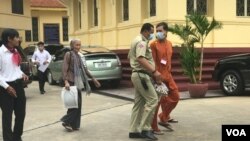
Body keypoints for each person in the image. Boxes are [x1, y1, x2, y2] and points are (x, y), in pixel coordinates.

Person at [128, 23, 162, 140]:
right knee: (153, 100)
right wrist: (154, 72)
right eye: (151, 32)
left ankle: (134, 130)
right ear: (146, 31)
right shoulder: (142, 42)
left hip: (138, 75)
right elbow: (140, 58)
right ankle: (145, 129)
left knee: (139, 103)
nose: (152, 35)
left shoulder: (135, 40)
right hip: (142, 76)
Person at [60, 39, 101, 131]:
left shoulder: (79, 56)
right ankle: (66, 121)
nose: (78, 47)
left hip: (77, 82)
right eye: (76, 45)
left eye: (79, 45)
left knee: (77, 104)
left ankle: (73, 124)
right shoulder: (68, 54)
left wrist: (93, 79)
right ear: (72, 46)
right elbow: (64, 69)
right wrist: (66, 81)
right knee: (74, 103)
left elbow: (84, 69)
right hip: (70, 82)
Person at [150, 22, 180, 134]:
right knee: (157, 103)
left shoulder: (169, 43)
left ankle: (163, 116)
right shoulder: (153, 44)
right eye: (156, 31)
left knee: (176, 96)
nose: (158, 33)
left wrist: (169, 70)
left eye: (160, 31)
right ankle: (154, 126)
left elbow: (168, 60)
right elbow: (152, 62)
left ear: (166, 32)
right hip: (158, 77)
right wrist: (155, 76)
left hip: (168, 75)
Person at [0, 28, 29, 141]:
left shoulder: (15, 51)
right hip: (5, 87)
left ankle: (17, 137)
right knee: (7, 116)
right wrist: (7, 87)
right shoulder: (0, 52)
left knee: (21, 114)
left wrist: (22, 74)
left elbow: (15, 68)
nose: (18, 39)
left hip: (18, 85)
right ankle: (8, 139)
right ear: (9, 39)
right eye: (16, 37)